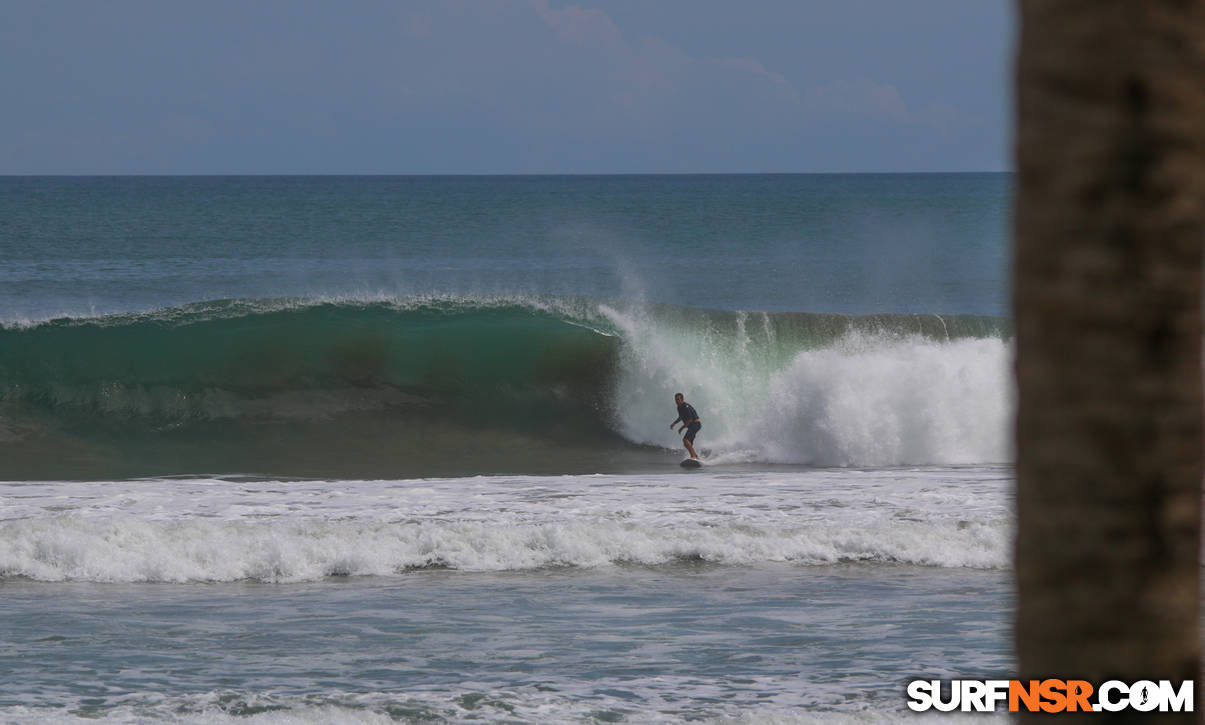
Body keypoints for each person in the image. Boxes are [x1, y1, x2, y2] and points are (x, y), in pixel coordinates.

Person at [670, 392, 702, 460]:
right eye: (675, 399)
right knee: (687, 443)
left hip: (696, 424)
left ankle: (693, 456)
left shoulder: (686, 407)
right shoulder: (679, 407)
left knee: (685, 440)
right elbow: (681, 417)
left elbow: (690, 420)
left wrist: (681, 428)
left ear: (682, 399)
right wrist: (674, 423)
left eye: (678, 399)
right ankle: (695, 456)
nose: (676, 401)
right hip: (692, 426)